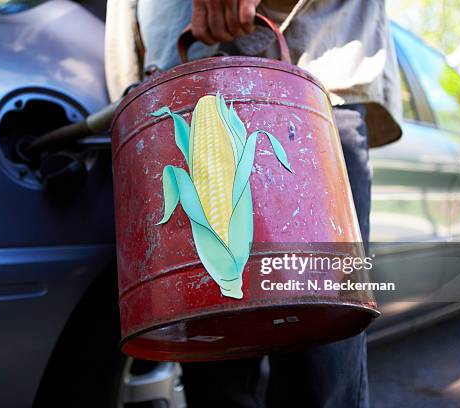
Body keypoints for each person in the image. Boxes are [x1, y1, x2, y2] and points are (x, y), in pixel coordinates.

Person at [105, 0, 402, 406]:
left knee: (320, 370)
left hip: (311, 87)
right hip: (172, 84)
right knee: (214, 374)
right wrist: (129, 87)